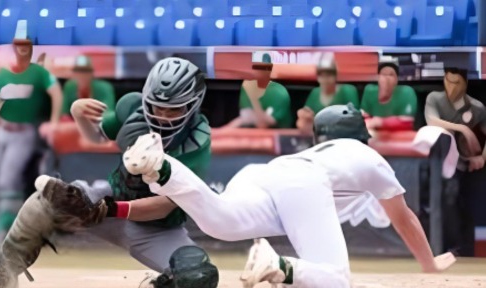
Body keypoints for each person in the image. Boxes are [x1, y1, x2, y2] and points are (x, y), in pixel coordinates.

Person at [121, 103, 457, 288]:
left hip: (267, 171)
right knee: (336, 282)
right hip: (304, 182)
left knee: (219, 222)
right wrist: (429, 265)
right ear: (359, 134)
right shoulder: (370, 156)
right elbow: (404, 218)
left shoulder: (321, 151)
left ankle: (162, 166)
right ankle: (278, 265)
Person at [0, 57, 219, 288]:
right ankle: (1, 274)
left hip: (157, 229)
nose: (163, 117)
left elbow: (164, 205)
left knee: (197, 274)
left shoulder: (197, 140)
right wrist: (79, 115)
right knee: (47, 199)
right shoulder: (132, 107)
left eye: (173, 109)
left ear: (193, 104)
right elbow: (96, 137)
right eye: (156, 107)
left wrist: (111, 209)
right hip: (114, 195)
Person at [0, 30, 63, 252]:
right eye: (19, 44)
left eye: (26, 44)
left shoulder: (37, 73)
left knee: (7, 181)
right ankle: (4, 233)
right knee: (2, 184)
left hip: (24, 134)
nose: (22, 47)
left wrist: (53, 122)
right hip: (3, 132)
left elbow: (56, 93)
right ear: (14, 47)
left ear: (31, 47)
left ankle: (5, 234)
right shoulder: (5, 75)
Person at [424, 66, 486, 256]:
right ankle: (441, 248)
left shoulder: (477, 108)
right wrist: (462, 128)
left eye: (456, 83)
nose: (451, 87)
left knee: (464, 204)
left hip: (463, 164)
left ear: (465, 84)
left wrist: (482, 157)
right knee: (442, 201)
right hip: (436, 163)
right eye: (448, 81)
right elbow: (431, 121)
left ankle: (463, 250)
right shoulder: (434, 98)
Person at [297, 57, 359, 133]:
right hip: (318, 133)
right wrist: (304, 114)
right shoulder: (315, 92)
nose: (325, 80)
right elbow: (306, 113)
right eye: (322, 76)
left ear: (335, 76)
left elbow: (354, 118)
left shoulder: (348, 91)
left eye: (329, 76)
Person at [223, 67, 292, 129]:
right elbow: (246, 117)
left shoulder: (279, 92)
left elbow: (262, 125)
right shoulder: (247, 86)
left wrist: (253, 98)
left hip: (279, 136)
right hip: (253, 133)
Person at [361, 57, 417, 131]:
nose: (387, 78)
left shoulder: (407, 92)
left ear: (396, 79)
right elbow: (364, 117)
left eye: (391, 75)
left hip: (399, 135)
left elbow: (407, 122)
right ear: (378, 78)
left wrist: (380, 122)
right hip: (374, 133)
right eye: (383, 74)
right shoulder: (369, 90)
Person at [61, 55, 116, 120]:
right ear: (74, 74)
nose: (82, 75)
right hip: (75, 125)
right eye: (78, 72)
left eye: (86, 71)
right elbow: (64, 115)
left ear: (92, 73)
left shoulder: (104, 88)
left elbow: (108, 115)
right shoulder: (69, 87)